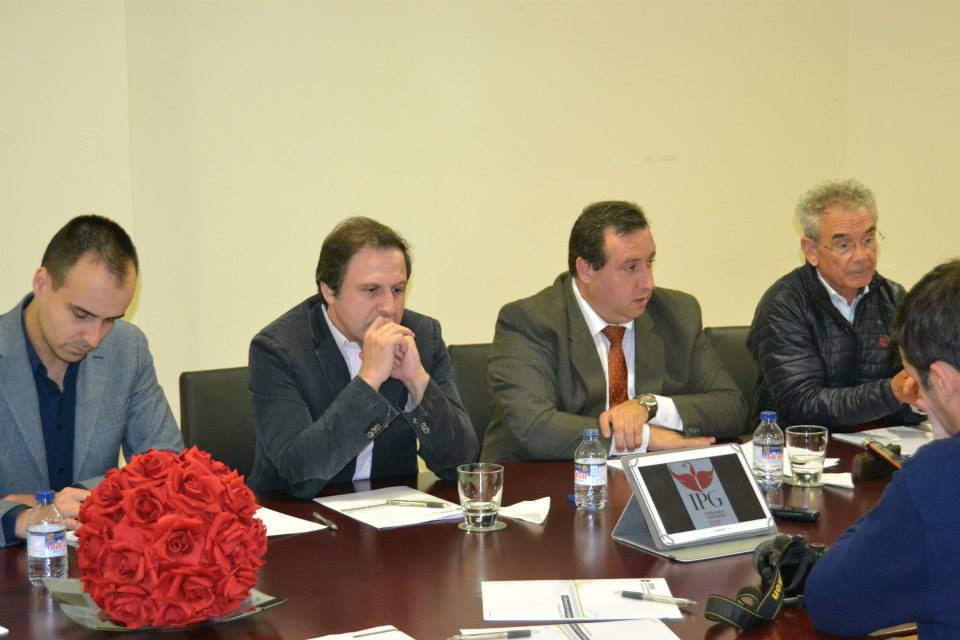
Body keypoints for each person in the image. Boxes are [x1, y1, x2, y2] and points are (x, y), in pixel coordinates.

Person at [482, 201, 746, 463]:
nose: (648, 282)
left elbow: (732, 407)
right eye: (631, 267)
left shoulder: (677, 313)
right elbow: (534, 428)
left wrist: (649, 406)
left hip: (642, 479)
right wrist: (645, 439)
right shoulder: (530, 321)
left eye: (649, 262)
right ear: (586, 270)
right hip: (544, 478)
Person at [248, 217, 477, 498]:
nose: (389, 308)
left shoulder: (421, 337)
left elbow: (461, 466)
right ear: (329, 291)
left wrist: (417, 381)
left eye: (398, 290)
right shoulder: (278, 349)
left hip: (391, 513)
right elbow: (299, 476)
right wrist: (369, 381)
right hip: (296, 513)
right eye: (371, 290)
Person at [0, 215, 183, 547]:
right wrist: (19, 517)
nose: (94, 338)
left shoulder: (127, 347)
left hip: (96, 561)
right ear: (41, 283)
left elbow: (168, 466)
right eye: (81, 315)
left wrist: (78, 498)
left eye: (110, 319)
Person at [805, 259, 960, 638]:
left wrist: (942, 445)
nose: (919, 401)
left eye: (919, 384)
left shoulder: (941, 476)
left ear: (942, 380)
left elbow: (832, 603)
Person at [747, 179, 922, 429]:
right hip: (799, 445)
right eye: (844, 245)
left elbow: (907, 388)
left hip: (876, 442)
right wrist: (890, 393)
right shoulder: (784, 303)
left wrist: (917, 397)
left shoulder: (894, 298)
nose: (862, 256)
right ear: (811, 250)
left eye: (868, 240)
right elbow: (801, 404)